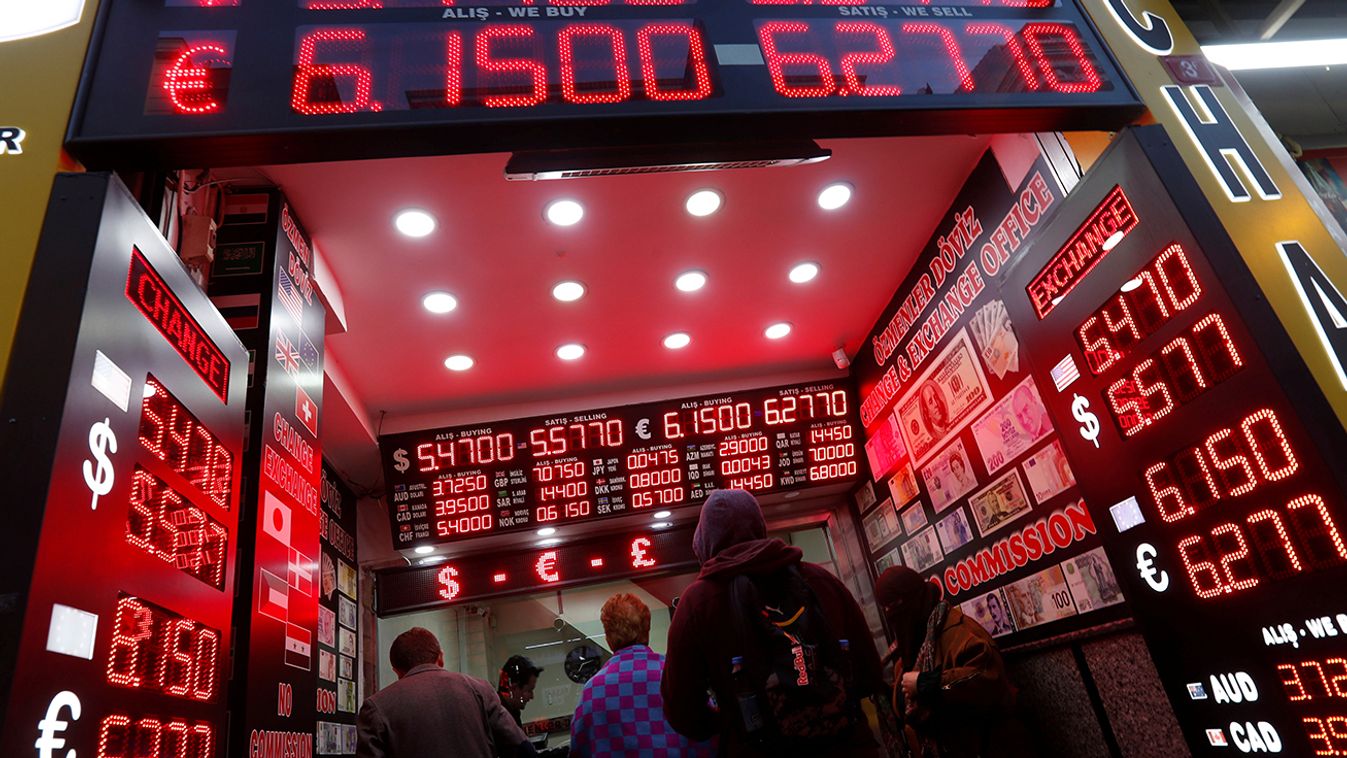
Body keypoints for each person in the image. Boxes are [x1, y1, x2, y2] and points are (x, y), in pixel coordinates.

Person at [661, 489, 883, 757]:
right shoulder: (821, 581)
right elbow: (870, 674)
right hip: (848, 746)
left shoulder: (697, 603)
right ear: (760, 526)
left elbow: (683, 714)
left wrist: (733, 721)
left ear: (704, 542)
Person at [876, 566, 1031, 758]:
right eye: (887, 609)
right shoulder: (911, 645)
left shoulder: (955, 629)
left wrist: (928, 682)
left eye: (896, 604)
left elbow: (988, 676)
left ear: (913, 597)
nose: (892, 614)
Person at [570, 593, 715, 757]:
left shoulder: (593, 691)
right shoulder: (675, 673)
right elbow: (710, 730)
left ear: (608, 638)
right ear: (647, 630)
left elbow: (578, 750)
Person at [356, 627, 535, 758]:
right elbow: (522, 749)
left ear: (397, 671)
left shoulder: (376, 708)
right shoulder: (479, 689)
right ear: (440, 657)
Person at [497, 655, 542, 728]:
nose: (532, 696)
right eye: (529, 690)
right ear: (514, 688)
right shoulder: (498, 720)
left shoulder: (511, 712)